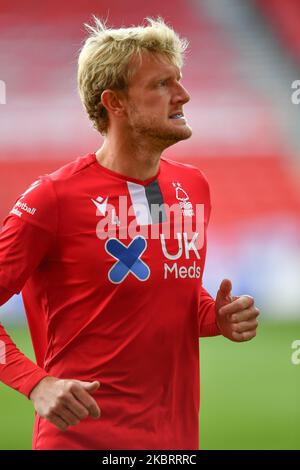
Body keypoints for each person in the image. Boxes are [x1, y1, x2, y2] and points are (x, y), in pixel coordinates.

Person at [0, 17, 259, 450]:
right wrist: (35, 383)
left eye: (179, 80)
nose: (183, 95)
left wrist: (215, 317)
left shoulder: (191, 186)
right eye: (161, 84)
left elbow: (163, 291)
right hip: (81, 442)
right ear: (115, 103)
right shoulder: (52, 199)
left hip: (175, 442)